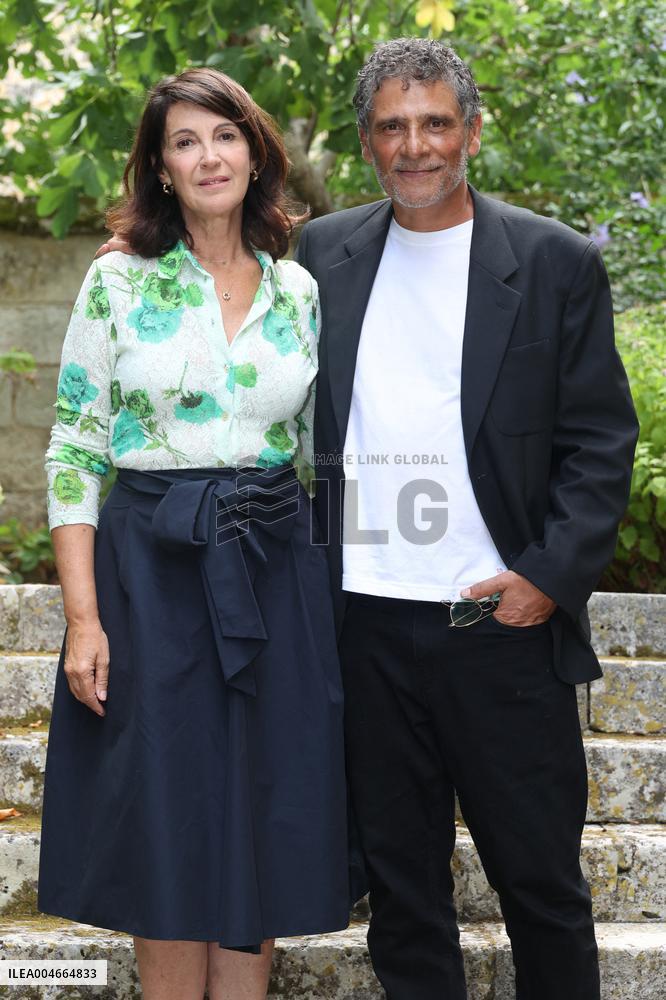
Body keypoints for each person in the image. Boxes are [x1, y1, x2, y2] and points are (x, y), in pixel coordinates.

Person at [294, 38, 639, 1000]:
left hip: (497, 623)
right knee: (403, 902)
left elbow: (600, 441)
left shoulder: (555, 261)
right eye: (393, 127)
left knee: (542, 889)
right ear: (367, 141)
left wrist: (545, 579)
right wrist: (139, 253)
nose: (415, 146)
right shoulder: (322, 255)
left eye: (436, 123)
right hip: (363, 622)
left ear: (472, 132)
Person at [38, 67, 349, 1000]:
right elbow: (75, 447)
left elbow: (321, 458)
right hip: (150, 575)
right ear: (161, 169)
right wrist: (84, 620)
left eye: (224, 135)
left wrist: (328, 598)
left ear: (255, 154)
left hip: (273, 576)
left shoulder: (300, 290)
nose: (208, 156)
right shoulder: (116, 281)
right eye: (184, 141)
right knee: (165, 820)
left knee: (262, 812)